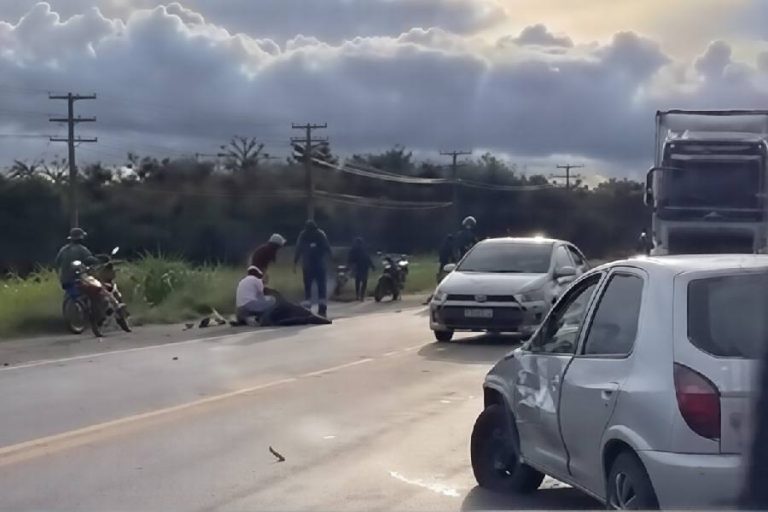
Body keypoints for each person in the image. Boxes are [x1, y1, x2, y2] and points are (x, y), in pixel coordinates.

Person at [294, 219, 332, 317]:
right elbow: (327, 247)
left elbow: (298, 249)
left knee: (308, 288)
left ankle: (307, 310)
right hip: (320, 265)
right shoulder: (320, 234)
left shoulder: (303, 235)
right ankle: (322, 310)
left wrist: (295, 262)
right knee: (321, 288)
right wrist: (331, 259)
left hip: (307, 266)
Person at [55, 227, 93, 299]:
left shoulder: (63, 249)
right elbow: (90, 260)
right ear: (81, 238)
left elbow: (57, 262)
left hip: (64, 280)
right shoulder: (82, 249)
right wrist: (100, 260)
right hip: (78, 279)